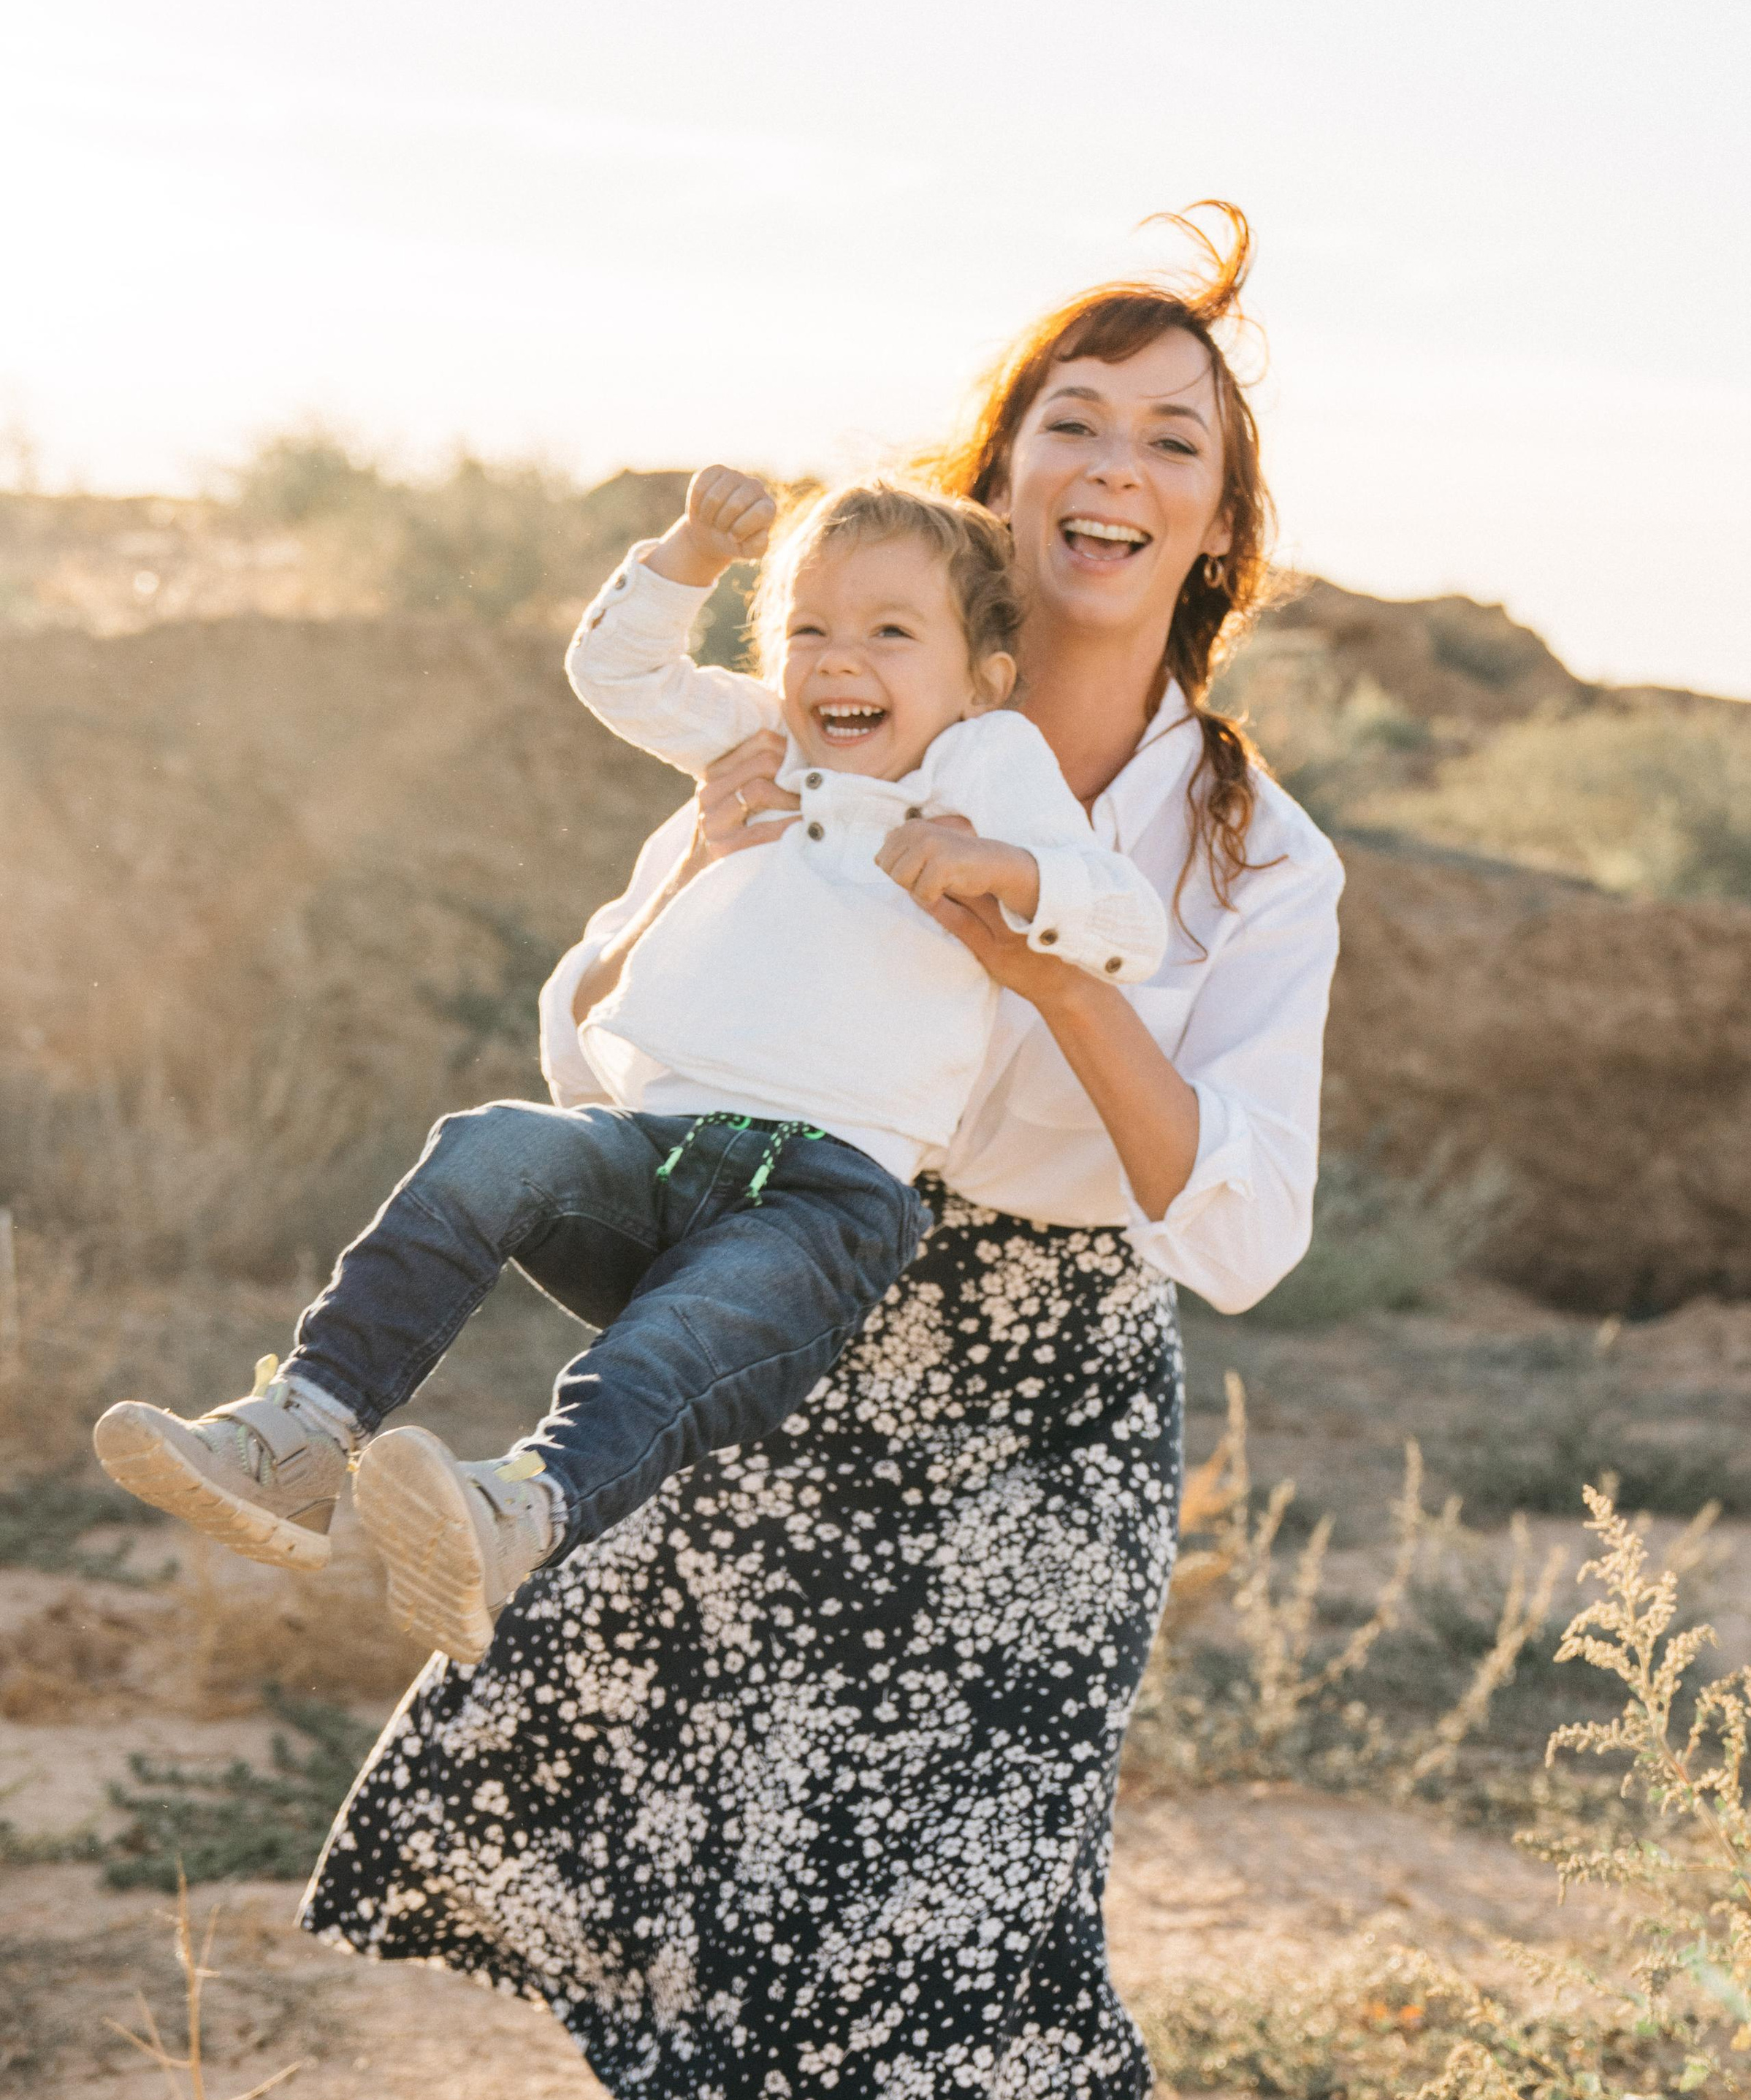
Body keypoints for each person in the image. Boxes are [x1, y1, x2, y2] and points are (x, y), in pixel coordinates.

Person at [299, 202, 1343, 2100]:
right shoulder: (827, 706)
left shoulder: (1253, 850)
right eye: (1072, 417)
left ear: (1213, 526)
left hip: (1045, 1385)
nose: (1114, 461)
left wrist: (1054, 963)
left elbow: (1248, 1229)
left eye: (1169, 437)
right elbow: (598, 1034)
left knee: (1008, 1892)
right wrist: (709, 850)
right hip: (777, 1325)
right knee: (763, 1873)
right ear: (1000, 487)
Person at [88, 476, 1163, 1668]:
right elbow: (618, 676)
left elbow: (1130, 926)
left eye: (891, 632)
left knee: (671, 1344)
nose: (838, 660)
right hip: (651, 1148)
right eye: (809, 628)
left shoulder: (986, 766)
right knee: (490, 1145)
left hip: (826, 1199)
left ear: (984, 680)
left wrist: (1000, 863)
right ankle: (301, 1431)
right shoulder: (764, 744)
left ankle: (516, 1513)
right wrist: (692, 553)